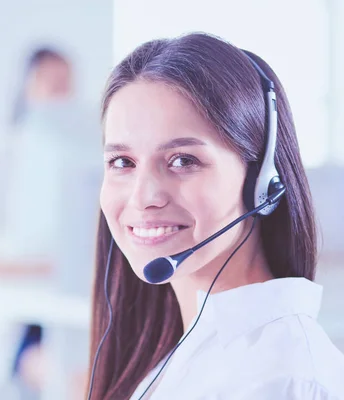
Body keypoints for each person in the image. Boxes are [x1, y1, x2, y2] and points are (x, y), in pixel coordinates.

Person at [85, 32, 344, 400]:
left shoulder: (278, 378)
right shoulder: (185, 350)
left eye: (182, 161)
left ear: (261, 182)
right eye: (122, 162)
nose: (143, 197)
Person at [0, 45, 99, 397]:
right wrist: (59, 267)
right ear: (25, 87)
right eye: (52, 83)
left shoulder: (84, 155)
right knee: (70, 377)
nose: (62, 95)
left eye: (68, 84)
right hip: (15, 323)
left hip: (64, 307)